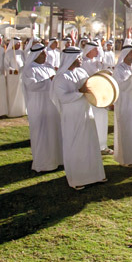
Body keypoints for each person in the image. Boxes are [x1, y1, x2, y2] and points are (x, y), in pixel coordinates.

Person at [54, 46, 107, 190]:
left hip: (86, 112)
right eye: (78, 57)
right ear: (70, 59)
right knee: (75, 145)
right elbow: (63, 98)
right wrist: (79, 91)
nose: (81, 59)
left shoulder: (82, 72)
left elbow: (90, 88)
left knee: (90, 144)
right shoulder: (61, 77)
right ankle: (77, 179)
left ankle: (95, 175)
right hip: (72, 117)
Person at [22, 43, 63, 172]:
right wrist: (49, 81)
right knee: (41, 133)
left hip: (52, 104)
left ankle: (57, 160)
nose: (45, 55)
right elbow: (32, 86)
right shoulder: (29, 69)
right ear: (35, 55)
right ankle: (43, 163)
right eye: (42, 54)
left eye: (45, 53)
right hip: (38, 105)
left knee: (53, 131)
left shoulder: (49, 67)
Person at [80, 40, 112, 154]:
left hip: (100, 95)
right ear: (89, 50)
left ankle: (102, 146)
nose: (97, 51)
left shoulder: (97, 62)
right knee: (93, 121)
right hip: (91, 97)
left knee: (102, 120)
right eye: (95, 49)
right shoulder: (83, 63)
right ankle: (94, 146)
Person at [4, 37, 27, 117]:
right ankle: (13, 111)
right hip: (12, 77)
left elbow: (24, 62)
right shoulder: (8, 53)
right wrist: (13, 70)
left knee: (21, 93)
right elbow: (6, 65)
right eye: (17, 43)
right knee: (12, 94)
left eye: (19, 43)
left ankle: (21, 110)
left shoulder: (21, 52)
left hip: (20, 75)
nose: (18, 45)